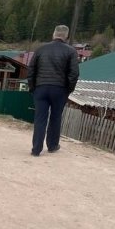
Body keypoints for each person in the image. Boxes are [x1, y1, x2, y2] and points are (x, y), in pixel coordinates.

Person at [27, 25, 79, 156]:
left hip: (41, 88)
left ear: (53, 34)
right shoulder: (71, 51)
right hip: (59, 89)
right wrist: (68, 89)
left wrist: (33, 87)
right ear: (66, 36)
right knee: (55, 117)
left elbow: (31, 69)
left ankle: (36, 149)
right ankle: (52, 145)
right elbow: (74, 74)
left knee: (40, 118)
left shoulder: (40, 49)